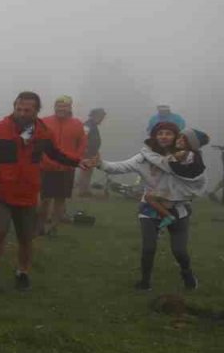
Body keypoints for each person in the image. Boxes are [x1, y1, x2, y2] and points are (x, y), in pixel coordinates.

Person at [0, 91, 80, 292]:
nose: (21, 113)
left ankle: (23, 273)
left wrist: (79, 161)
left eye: (27, 110)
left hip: (28, 193)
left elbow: (56, 153)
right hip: (1, 191)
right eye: (18, 109)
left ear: (37, 111)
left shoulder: (43, 132)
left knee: (26, 237)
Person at [89, 122, 207, 290]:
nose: (164, 136)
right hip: (150, 207)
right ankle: (145, 282)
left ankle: (187, 274)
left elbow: (198, 173)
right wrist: (101, 164)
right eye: (160, 133)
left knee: (179, 251)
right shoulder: (145, 157)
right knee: (148, 247)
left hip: (178, 207)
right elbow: (122, 166)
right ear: (154, 136)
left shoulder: (185, 156)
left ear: (176, 136)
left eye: (168, 133)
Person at [37, 96, 87, 235]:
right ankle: (39, 226)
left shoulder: (77, 124)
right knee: (44, 199)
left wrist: (75, 159)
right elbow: (38, 142)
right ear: (54, 107)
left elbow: (82, 144)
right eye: (58, 106)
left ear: (70, 108)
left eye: (64, 106)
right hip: (46, 166)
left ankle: (53, 227)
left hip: (66, 167)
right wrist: (42, 158)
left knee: (60, 199)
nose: (61, 109)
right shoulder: (45, 121)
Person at [76, 108, 106, 198]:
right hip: (87, 153)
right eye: (101, 117)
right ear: (95, 116)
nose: (102, 119)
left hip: (92, 152)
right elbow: (83, 137)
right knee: (85, 171)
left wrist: (96, 152)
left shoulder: (93, 125)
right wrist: (85, 150)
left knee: (88, 171)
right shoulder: (88, 125)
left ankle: (85, 189)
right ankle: (82, 191)